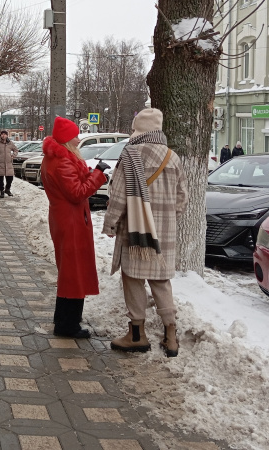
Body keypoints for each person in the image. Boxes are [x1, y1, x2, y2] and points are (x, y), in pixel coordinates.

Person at [102, 108, 188, 357]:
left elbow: (117, 195)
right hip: (164, 233)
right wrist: (168, 219)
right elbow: (183, 197)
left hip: (135, 230)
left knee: (133, 278)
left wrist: (110, 225)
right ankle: (171, 336)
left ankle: (136, 335)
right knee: (161, 281)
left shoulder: (130, 154)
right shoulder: (172, 157)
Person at [41, 117, 108, 338]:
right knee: (73, 271)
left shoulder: (59, 158)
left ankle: (64, 318)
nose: (79, 139)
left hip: (67, 219)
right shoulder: (63, 162)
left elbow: (75, 185)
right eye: (75, 136)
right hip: (71, 221)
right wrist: (98, 175)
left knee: (70, 270)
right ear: (67, 139)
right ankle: (67, 325)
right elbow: (77, 192)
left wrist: (94, 173)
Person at [0, 130, 20, 198]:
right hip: (0, 163)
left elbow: (16, 150)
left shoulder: (10, 143)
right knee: (0, 179)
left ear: (7, 135)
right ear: (0, 135)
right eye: (2, 134)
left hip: (8, 164)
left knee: (10, 178)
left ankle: (7, 189)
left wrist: (13, 155)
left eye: (5, 134)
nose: (3, 135)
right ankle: (1, 191)